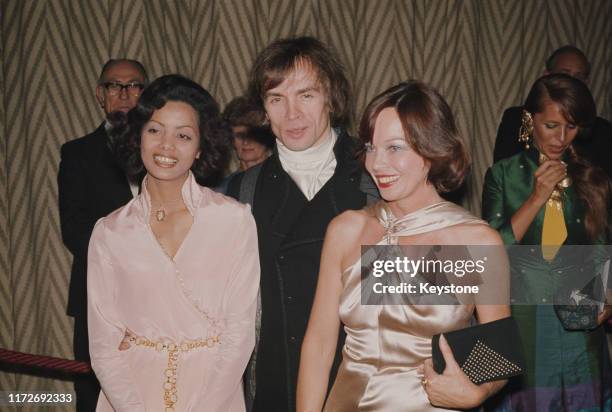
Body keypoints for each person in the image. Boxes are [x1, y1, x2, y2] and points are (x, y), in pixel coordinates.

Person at [297, 81, 510, 411]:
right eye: (370, 147)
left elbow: (500, 349)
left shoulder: (475, 241)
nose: (377, 164)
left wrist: (477, 393)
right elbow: (319, 344)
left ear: (432, 148)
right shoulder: (347, 230)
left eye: (395, 147)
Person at [87, 74, 259, 411]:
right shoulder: (110, 232)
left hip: (213, 394)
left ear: (199, 148)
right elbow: (103, 347)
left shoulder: (233, 220)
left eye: (183, 135)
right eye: (154, 130)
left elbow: (239, 334)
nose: (166, 146)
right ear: (138, 136)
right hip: (131, 394)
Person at [226, 36, 379, 412]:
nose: (291, 114)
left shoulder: (379, 176)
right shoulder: (241, 191)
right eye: (277, 99)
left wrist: (477, 380)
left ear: (331, 96)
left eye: (306, 95)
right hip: (272, 388)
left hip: (367, 388)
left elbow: (440, 295)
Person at [483, 73, 612, 410]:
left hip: (580, 323)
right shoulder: (503, 175)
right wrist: (536, 198)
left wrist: (607, 302)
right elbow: (491, 252)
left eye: (571, 127)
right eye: (552, 125)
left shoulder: (591, 178)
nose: (561, 138)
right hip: (523, 317)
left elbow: (601, 253)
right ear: (530, 119)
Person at [58, 58, 148, 411]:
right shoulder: (77, 153)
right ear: (100, 94)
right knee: (94, 393)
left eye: (134, 85)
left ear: (146, 93)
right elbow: (74, 229)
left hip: (164, 298)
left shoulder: (166, 148)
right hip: (98, 294)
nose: (124, 94)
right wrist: (127, 264)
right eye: (115, 85)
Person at [492, 46, 612, 179]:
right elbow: (503, 176)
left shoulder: (601, 130)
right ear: (547, 75)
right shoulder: (516, 118)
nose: (561, 137)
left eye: (579, 77)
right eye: (565, 74)